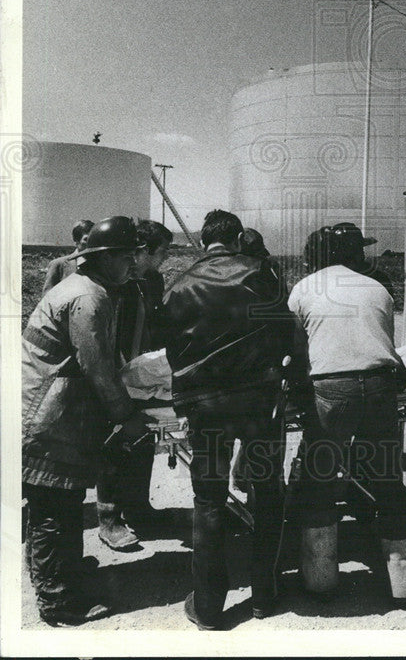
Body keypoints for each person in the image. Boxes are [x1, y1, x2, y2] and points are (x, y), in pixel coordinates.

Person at [161, 209, 307, 629]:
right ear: (240, 236)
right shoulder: (263, 274)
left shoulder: (180, 284)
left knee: (209, 498)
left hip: (205, 406)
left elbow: (167, 346)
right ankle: (265, 594)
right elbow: (287, 333)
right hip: (260, 404)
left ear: (203, 242)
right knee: (265, 490)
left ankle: (207, 606)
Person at [22, 216, 151, 625]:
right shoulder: (88, 298)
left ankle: (56, 573)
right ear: (105, 257)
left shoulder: (89, 289)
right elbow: (96, 369)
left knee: (57, 504)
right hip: (49, 415)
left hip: (53, 409)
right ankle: (57, 601)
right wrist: (127, 416)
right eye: (128, 257)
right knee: (54, 509)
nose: (134, 264)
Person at [288, 222, 406, 603]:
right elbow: (384, 345)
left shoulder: (304, 289)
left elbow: (297, 352)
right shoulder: (378, 288)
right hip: (380, 387)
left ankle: (320, 580)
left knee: (320, 478)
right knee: (387, 479)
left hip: (332, 390)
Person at [95, 219, 173, 551]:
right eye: (163, 252)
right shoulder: (112, 283)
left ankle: (140, 508)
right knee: (114, 446)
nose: (165, 259)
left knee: (143, 440)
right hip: (113, 373)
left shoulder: (153, 280)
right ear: (142, 251)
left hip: (143, 375)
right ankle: (109, 520)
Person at [41, 219, 94, 296]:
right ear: (76, 240)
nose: (90, 243)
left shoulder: (102, 265)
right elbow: (47, 298)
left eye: (93, 239)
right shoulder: (58, 265)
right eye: (86, 239)